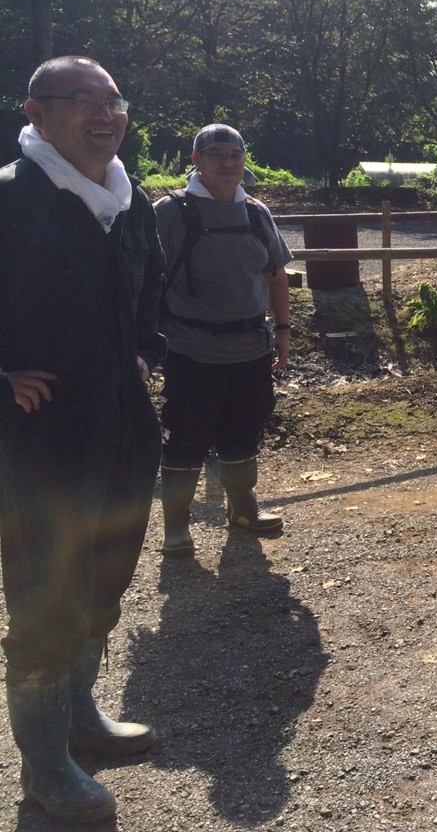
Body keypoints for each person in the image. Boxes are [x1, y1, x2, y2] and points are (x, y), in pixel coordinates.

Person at [0, 56, 165, 823]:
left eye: (114, 99)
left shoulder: (132, 203)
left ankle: (78, 719)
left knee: (105, 575)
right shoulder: (12, 198)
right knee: (48, 596)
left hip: (122, 422)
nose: (105, 114)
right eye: (82, 101)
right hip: (40, 436)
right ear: (36, 113)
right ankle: (44, 770)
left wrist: (143, 352)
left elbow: (150, 294)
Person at [153, 124, 293, 556]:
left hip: (251, 348)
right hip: (190, 349)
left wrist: (283, 332)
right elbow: (142, 282)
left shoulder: (256, 212)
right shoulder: (169, 212)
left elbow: (276, 276)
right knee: (186, 436)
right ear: (196, 160)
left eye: (235, 155)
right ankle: (176, 527)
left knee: (245, 429)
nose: (228, 162)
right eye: (217, 154)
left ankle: (244, 510)